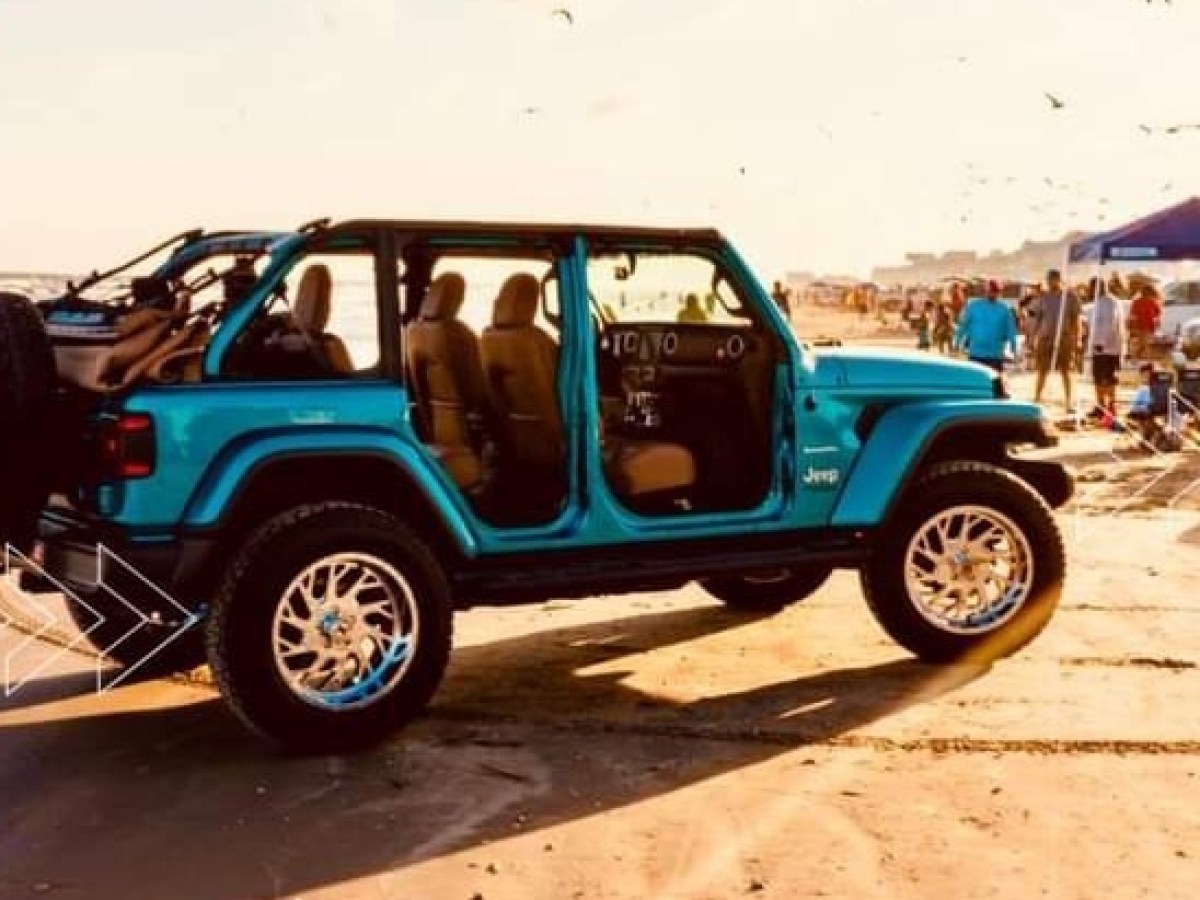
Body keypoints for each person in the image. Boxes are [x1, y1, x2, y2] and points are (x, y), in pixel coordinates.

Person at [1031, 269, 1082, 411]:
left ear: (1058, 279)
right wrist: (1032, 337)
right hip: (1045, 338)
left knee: (1066, 371)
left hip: (1064, 338)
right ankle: (1037, 398)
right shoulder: (1043, 297)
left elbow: (1076, 320)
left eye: (1053, 279)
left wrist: (1078, 339)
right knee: (1042, 370)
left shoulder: (1070, 297)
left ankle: (1068, 402)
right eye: (1048, 279)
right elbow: (1037, 319)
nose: (1050, 282)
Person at [953, 279, 1018, 372]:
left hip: (995, 354)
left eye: (995, 291)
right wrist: (957, 343)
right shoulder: (974, 306)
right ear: (986, 291)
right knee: (975, 381)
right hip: (976, 353)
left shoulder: (1005, 308)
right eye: (990, 291)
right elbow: (964, 325)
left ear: (999, 292)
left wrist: (1013, 348)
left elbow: (1011, 329)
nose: (992, 294)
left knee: (994, 382)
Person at [1087, 275, 1126, 417]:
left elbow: (1109, 324)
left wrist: (1100, 343)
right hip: (1106, 346)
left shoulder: (1108, 303)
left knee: (1105, 377)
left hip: (1106, 347)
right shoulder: (1105, 302)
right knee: (1102, 377)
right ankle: (1102, 405)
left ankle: (1108, 405)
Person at [1127, 283, 1162, 360]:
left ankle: (1135, 357)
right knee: (1146, 345)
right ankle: (1141, 359)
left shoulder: (1136, 302)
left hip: (1139, 326)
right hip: (1149, 326)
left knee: (1143, 344)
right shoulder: (1153, 302)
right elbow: (1158, 316)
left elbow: (1133, 316)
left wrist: (1131, 327)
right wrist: (1157, 326)